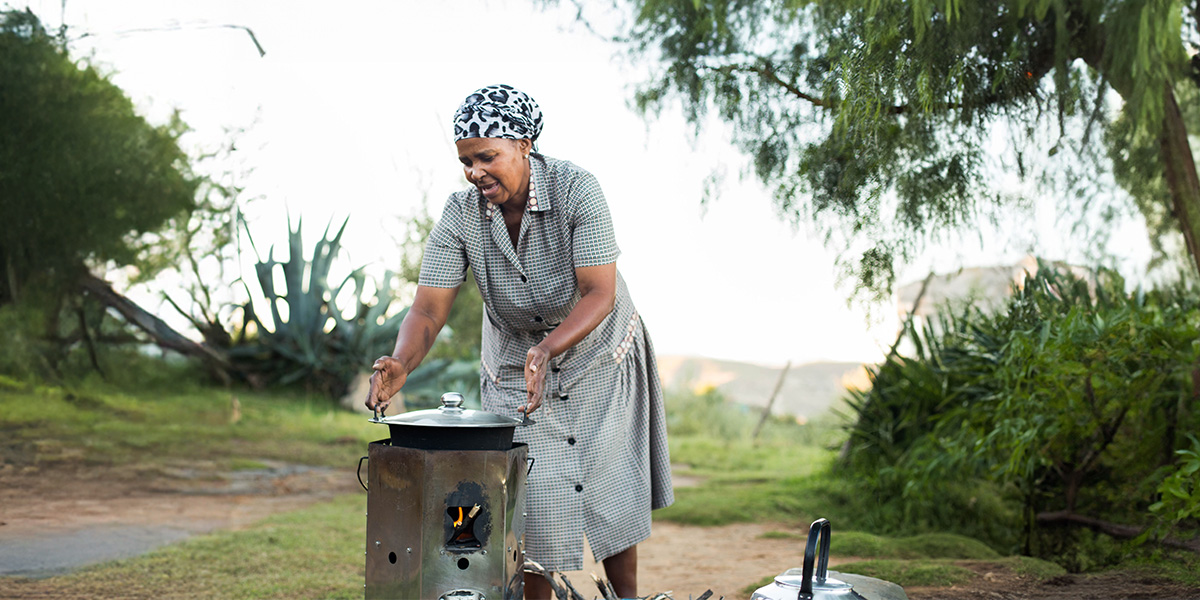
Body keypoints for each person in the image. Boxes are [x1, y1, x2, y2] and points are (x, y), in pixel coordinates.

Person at [365, 84, 674, 599]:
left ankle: (626, 599)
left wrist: (550, 348)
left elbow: (600, 292)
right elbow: (427, 307)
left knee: (609, 480)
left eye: (487, 157)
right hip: (512, 357)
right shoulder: (461, 213)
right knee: (528, 494)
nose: (474, 172)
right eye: (465, 160)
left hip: (599, 351)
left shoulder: (577, 189)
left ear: (525, 144)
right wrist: (401, 362)